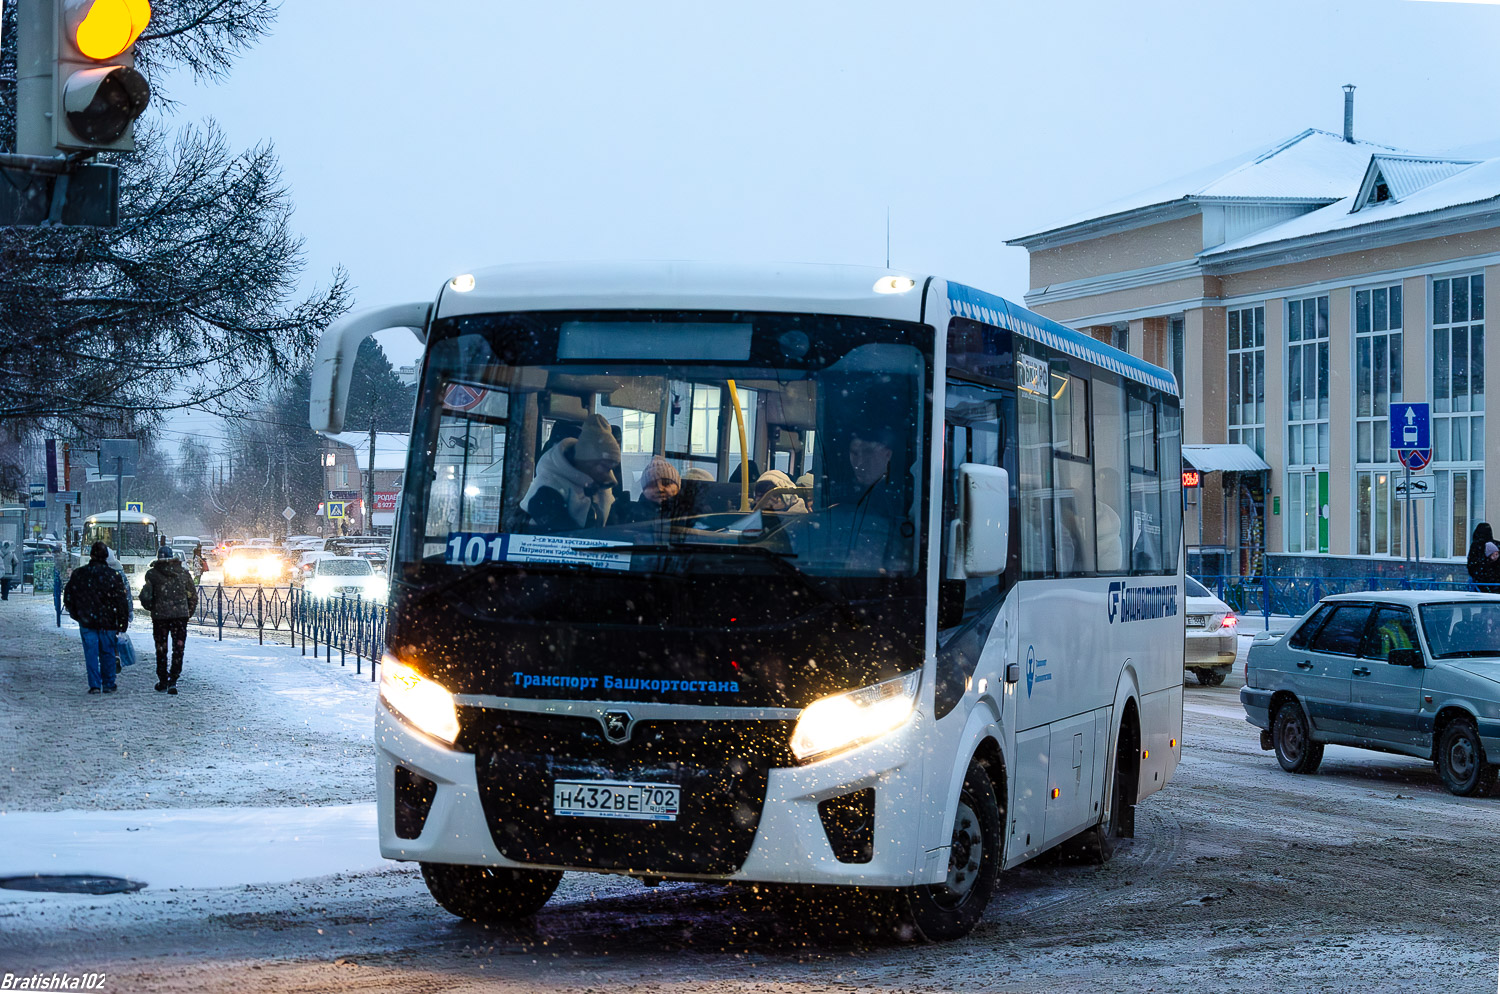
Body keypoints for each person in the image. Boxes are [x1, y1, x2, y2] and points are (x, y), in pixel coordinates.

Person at [520, 413, 621, 531]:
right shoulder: (547, 491)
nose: (608, 474)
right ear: (588, 460)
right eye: (605, 467)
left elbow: (613, 531)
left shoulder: (598, 488)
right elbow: (569, 538)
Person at [63, 542, 131, 694]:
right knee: (107, 653)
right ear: (106, 556)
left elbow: (69, 596)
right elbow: (121, 601)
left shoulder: (80, 574)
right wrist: (122, 622)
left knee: (91, 653)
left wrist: (77, 614)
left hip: (87, 620)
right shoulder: (113, 576)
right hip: (108, 622)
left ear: (91, 555)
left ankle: (94, 684)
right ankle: (109, 683)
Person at [140, 546, 199, 694]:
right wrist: (186, 613)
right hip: (180, 617)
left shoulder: (152, 574)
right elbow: (192, 596)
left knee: (161, 649)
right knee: (178, 649)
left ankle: (162, 680)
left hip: (160, 617)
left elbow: (146, 597)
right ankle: (173, 679)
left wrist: (152, 608)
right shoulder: (184, 574)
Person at [614, 456, 682, 523]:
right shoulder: (631, 513)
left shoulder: (686, 513)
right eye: (652, 485)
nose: (659, 489)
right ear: (644, 490)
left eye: (666, 483)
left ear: (678, 486)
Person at [1467, 522, 1500, 593]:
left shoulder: (1475, 547)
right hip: (1496, 584)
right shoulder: (1497, 545)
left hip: (1480, 584)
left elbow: (1471, 567)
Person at [52, 541, 73, 626]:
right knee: (64, 592)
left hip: (58, 576)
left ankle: (59, 608)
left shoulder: (52, 556)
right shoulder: (64, 556)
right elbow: (67, 565)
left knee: (57, 594)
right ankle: (65, 606)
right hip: (63, 576)